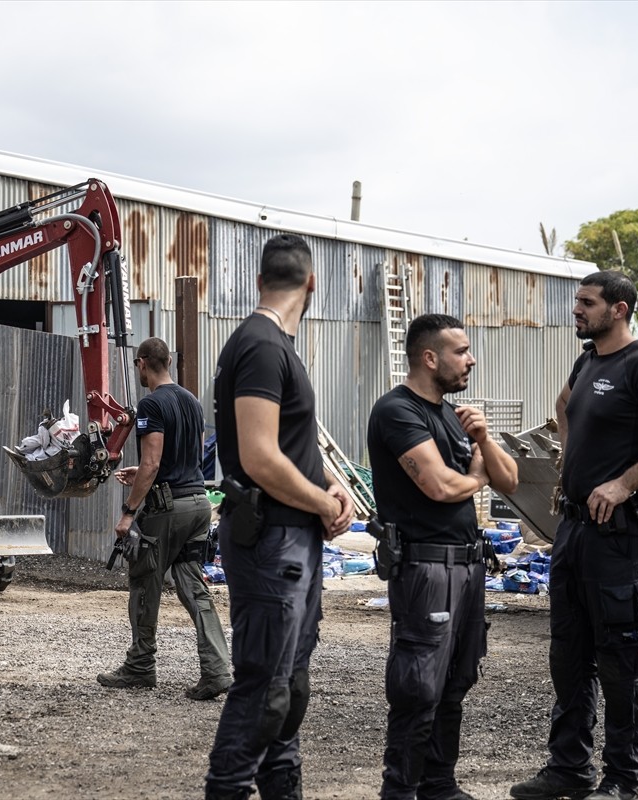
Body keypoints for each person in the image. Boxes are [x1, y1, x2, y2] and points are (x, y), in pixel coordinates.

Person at [511, 270, 638, 800]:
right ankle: (568, 769)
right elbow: (563, 407)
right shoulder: (589, 359)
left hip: (619, 538)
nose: (577, 311)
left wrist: (622, 483)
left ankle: (623, 779)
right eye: (578, 302)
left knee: (620, 661)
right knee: (568, 656)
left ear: (618, 310)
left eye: (587, 303)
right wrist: (570, 464)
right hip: (574, 531)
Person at [205, 234, 354, 800]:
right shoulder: (263, 345)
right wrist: (320, 502)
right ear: (311, 284)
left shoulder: (274, 345)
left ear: (260, 279)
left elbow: (288, 446)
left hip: (291, 538)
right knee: (266, 688)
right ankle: (226, 789)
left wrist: (327, 483)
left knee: (289, 686)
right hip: (273, 539)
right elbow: (259, 455)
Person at [367, 313, 519, 800]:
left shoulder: (453, 417)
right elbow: (439, 486)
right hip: (425, 568)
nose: (471, 359)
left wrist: (484, 439)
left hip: (468, 565)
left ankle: (438, 785)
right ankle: (402, 790)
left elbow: (511, 481)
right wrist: (476, 478)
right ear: (429, 357)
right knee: (418, 687)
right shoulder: (397, 411)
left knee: (455, 680)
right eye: (462, 351)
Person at [97, 336, 232, 701]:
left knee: (144, 581)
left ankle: (141, 666)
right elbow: (183, 456)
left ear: (142, 363)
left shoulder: (151, 404)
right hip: (198, 504)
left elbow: (154, 461)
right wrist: (140, 471)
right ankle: (217, 669)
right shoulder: (191, 401)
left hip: (167, 510)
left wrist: (128, 512)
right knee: (193, 587)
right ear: (168, 361)